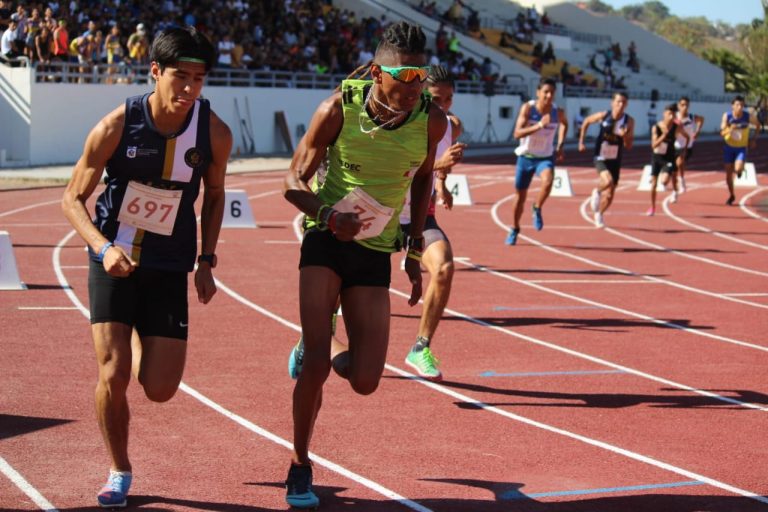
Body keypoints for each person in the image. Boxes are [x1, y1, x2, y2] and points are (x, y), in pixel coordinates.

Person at [60, 26, 232, 509]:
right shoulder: (117, 125)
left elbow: (215, 195)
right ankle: (119, 469)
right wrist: (100, 246)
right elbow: (72, 198)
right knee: (113, 374)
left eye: (199, 79)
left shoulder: (213, 132)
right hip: (116, 261)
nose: (189, 89)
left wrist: (206, 261)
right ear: (155, 71)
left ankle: (137, 333)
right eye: (181, 76)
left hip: (169, 265)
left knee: (159, 388)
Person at [282, 21, 446, 509]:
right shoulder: (338, 108)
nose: (413, 88)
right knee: (314, 367)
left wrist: (415, 249)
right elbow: (293, 178)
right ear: (378, 71)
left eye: (421, 77)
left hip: (376, 249)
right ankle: (299, 463)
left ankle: (321, 342)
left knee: (367, 380)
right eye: (404, 77)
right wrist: (328, 216)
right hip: (327, 240)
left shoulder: (431, 120)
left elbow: (422, 181)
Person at [400, 65, 465, 381]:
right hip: (384, 212)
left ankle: (420, 347)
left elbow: (438, 167)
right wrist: (439, 165)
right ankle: (315, 336)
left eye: (449, 99)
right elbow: (402, 170)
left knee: (444, 267)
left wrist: (442, 183)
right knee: (342, 276)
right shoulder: (404, 123)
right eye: (438, 99)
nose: (444, 106)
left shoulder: (452, 126)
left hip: (420, 217)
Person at [505, 77, 568, 245]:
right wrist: (540, 125)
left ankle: (537, 207)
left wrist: (560, 144)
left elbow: (564, 124)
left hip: (545, 157)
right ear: (538, 92)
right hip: (526, 157)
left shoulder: (557, 112)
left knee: (548, 180)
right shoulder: (528, 108)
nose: (548, 96)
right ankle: (515, 228)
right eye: (545, 92)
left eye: (552, 93)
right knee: (520, 197)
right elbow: (517, 134)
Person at [578, 91, 635, 228]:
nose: (620, 105)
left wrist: (625, 136)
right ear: (612, 103)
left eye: (623, 102)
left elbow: (629, 146)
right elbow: (586, 121)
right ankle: (596, 191)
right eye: (618, 102)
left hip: (615, 159)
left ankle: (599, 214)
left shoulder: (629, 121)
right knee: (607, 181)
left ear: (626, 105)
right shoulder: (604, 115)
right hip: (601, 156)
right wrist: (581, 141)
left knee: (610, 194)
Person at [648, 103, 688, 215]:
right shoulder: (656, 127)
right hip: (657, 157)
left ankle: (671, 183)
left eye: (673, 114)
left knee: (664, 181)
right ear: (664, 114)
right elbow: (653, 145)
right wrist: (663, 136)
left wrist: (684, 150)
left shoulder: (677, 127)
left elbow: (687, 136)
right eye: (669, 114)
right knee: (654, 185)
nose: (671, 116)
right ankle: (652, 207)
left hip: (669, 157)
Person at [721, 95, 760, 205]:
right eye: (737, 105)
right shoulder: (727, 116)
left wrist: (753, 139)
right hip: (728, 147)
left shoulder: (747, 116)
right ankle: (732, 195)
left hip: (741, 148)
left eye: (742, 105)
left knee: (737, 168)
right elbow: (722, 132)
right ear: (732, 106)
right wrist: (730, 129)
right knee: (728, 174)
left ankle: (739, 170)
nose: (740, 107)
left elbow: (758, 125)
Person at [674, 96, 704, 194]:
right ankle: (676, 189)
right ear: (678, 106)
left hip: (688, 146)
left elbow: (701, 119)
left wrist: (697, 131)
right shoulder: (675, 117)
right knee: (674, 169)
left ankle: (681, 181)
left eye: (686, 105)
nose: (685, 107)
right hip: (675, 145)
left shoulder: (691, 117)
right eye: (682, 105)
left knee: (680, 162)